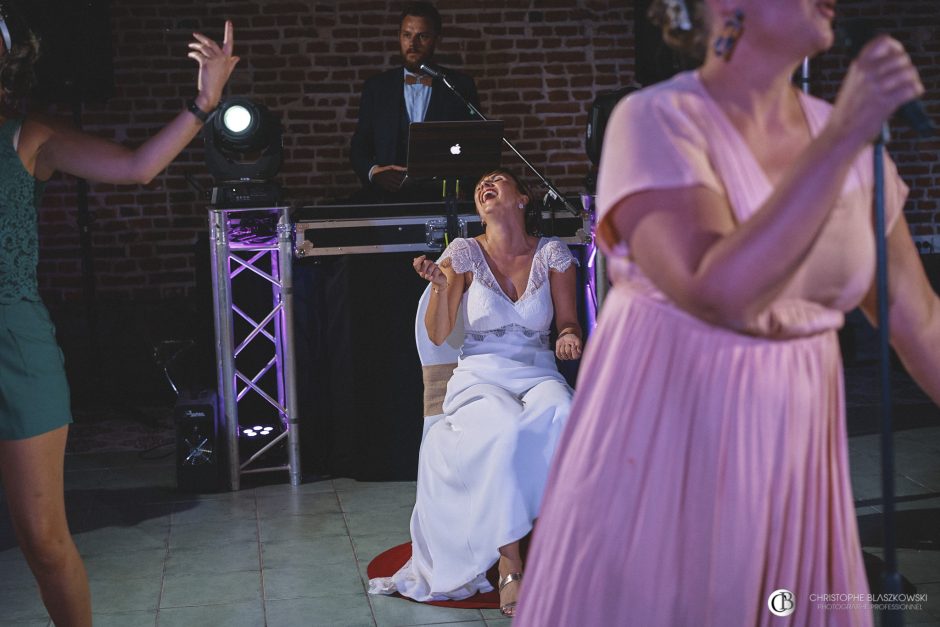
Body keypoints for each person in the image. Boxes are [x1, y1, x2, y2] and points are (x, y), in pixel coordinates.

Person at [516, 1, 939, 626]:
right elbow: (718, 289)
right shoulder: (654, 119)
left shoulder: (846, 137)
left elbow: (921, 322)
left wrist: (843, 134)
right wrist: (844, 135)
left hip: (795, 470)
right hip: (668, 454)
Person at [0, 5, 238, 624]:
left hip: (14, 349)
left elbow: (138, 168)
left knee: (46, 543)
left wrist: (204, 103)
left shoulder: (30, 137)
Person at [367, 168, 583, 616]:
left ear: (522, 198)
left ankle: (569, 554)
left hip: (538, 371)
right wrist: (442, 289)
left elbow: (568, 320)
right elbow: (440, 333)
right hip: (480, 375)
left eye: (498, 179)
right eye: (480, 184)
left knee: (565, 414)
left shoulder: (553, 254)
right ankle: (510, 562)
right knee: (503, 429)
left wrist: (567, 336)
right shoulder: (462, 252)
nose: (485, 185)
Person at [349, 0, 479, 202]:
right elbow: (359, 146)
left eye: (422, 36)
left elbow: (475, 145)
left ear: (436, 39)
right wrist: (374, 172)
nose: (413, 44)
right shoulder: (376, 87)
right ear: (399, 37)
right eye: (407, 35)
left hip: (443, 199)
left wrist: (463, 187)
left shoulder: (459, 85)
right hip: (386, 199)